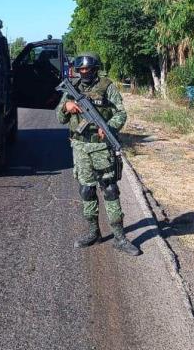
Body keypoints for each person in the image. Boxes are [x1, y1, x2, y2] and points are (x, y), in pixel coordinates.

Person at [56, 52, 140, 256]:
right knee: (86, 190)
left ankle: (119, 237)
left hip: (102, 148)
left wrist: (109, 127)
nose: (84, 72)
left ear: (95, 69)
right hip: (80, 147)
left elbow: (121, 112)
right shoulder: (71, 89)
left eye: (88, 69)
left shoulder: (107, 86)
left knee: (110, 189)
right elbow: (60, 118)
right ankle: (94, 232)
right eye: (81, 69)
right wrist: (67, 107)